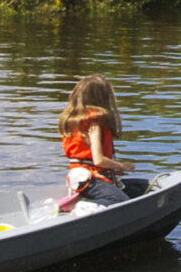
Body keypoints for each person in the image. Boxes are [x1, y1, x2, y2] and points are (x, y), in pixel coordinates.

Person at [55, 74, 131, 213]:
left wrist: (112, 168)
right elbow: (99, 160)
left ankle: (82, 203)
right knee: (121, 201)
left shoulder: (74, 121)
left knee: (130, 191)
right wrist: (122, 165)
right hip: (88, 178)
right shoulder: (94, 125)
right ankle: (80, 207)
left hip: (76, 176)